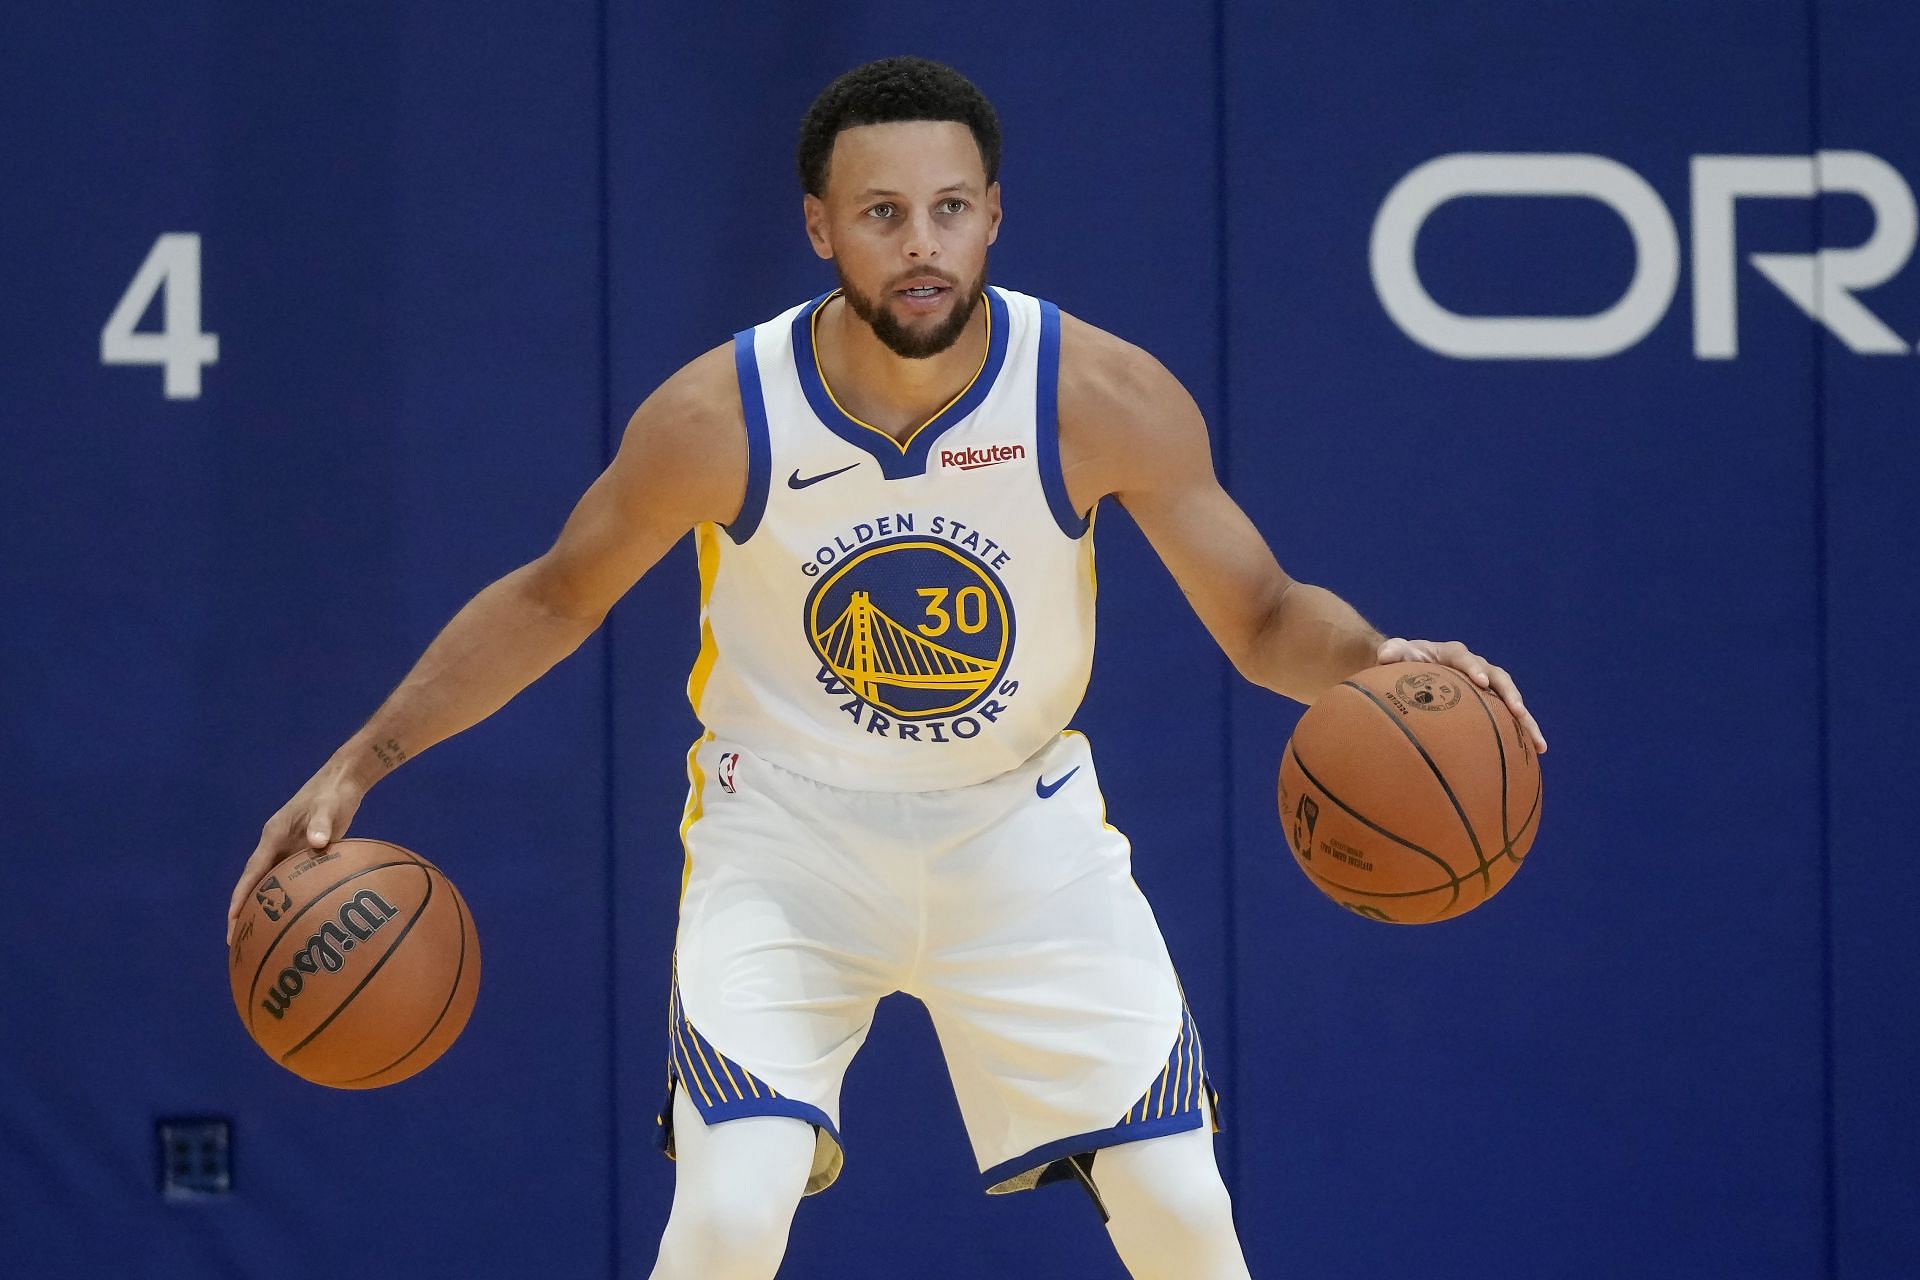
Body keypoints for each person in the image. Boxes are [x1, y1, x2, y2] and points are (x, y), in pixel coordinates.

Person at [227, 55, 1546, 1280]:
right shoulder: (718, 417)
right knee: (730, 1211)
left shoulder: (1099, 394)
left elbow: (1260, 617)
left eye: (949, 209)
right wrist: (365, 760)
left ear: (993, 216)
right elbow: (555, 597)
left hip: (1019, 831)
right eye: (882, 214)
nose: (921, 246)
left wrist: (1377, 657)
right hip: (786, 833)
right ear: (819, 226)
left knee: (1184, 1209)